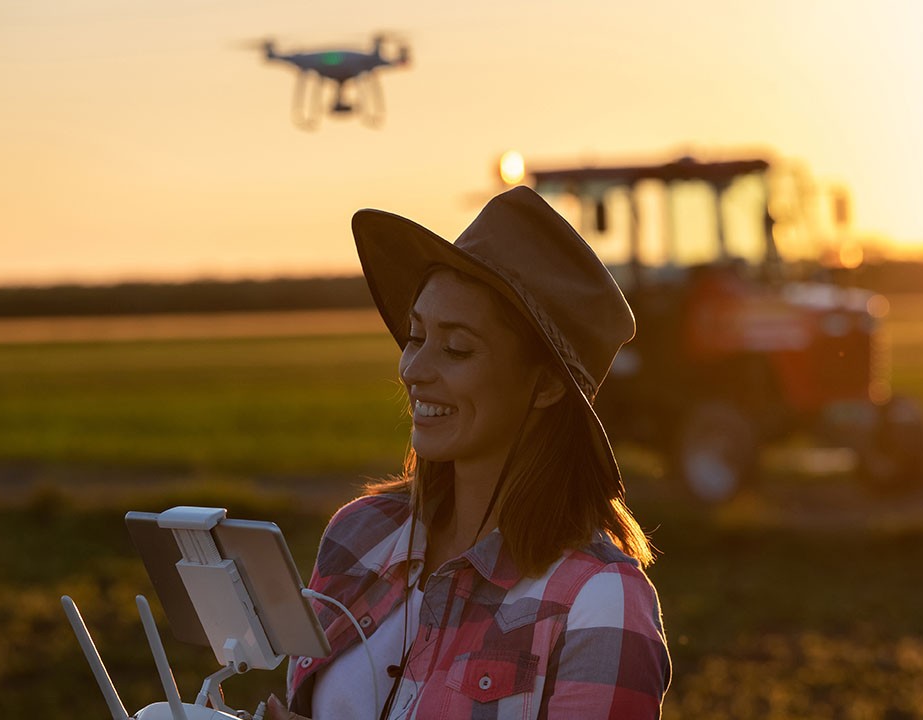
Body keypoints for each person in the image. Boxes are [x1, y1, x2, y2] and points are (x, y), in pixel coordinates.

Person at [268, 186, 670, 719]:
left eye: (456, 348)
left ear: (547, 384)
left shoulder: (598, 603)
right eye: (415, 337)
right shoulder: (359, 536)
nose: (412, 370)